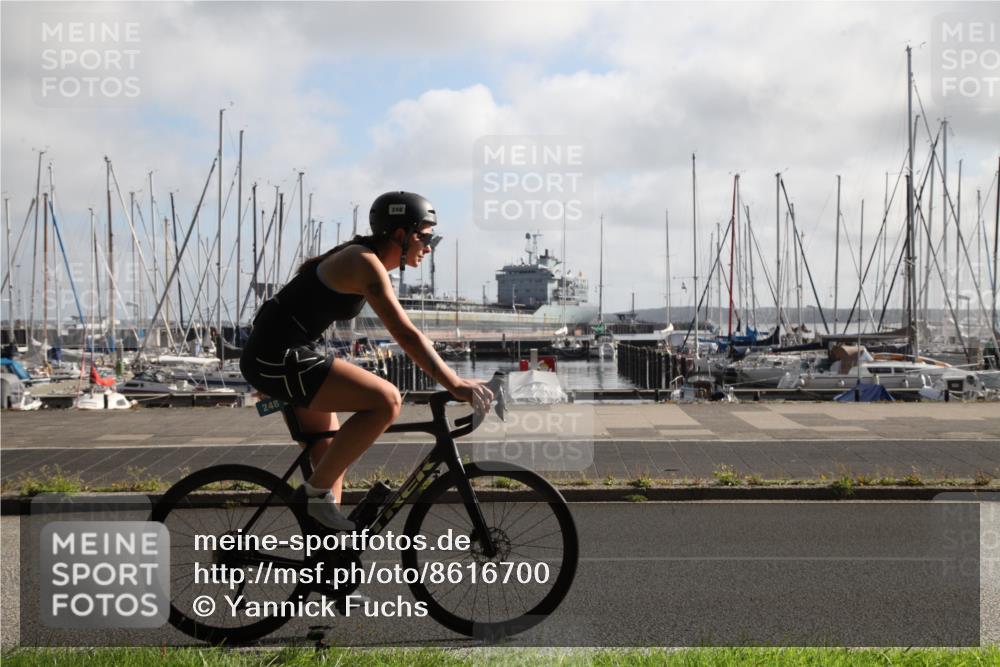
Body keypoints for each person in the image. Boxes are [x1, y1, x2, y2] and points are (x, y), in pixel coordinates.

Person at [240, 191, 493, 531]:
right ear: (400, 234)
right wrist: (456, 383)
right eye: (426, 236)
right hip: (278, 358)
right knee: (386, 400)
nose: (430, 246)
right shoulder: (363, 263)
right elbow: (405, 334)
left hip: (281, 357)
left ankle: (329, 569)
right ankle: (311, 497)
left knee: (330, 456)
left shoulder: (361, 258)